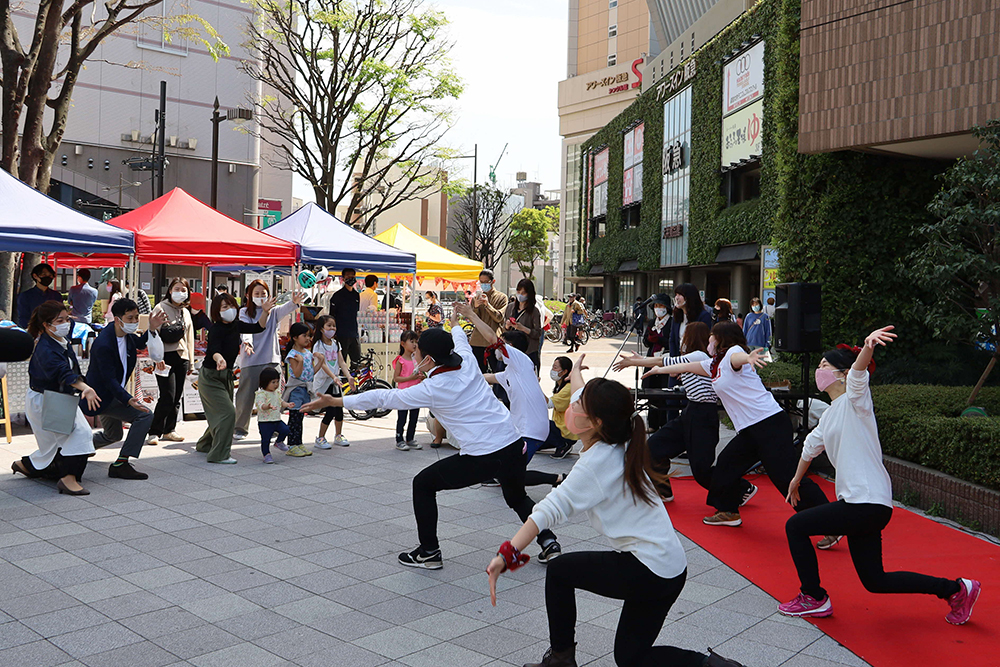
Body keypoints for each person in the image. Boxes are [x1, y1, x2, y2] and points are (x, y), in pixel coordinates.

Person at [485, 363, 746, 667]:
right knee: (631, 659)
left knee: (559, 571)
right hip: (670, 567)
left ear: (594, 422)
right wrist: (578, 367)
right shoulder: (619, 437)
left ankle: (560, 659)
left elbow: (546, 511)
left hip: (649, 568)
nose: (572, 406)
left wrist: (506, 556)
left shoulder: (596, 463)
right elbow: (584, 395)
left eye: (577, 405)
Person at [302, 300, 561, 570]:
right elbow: (459, 337)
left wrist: (335, 403)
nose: (413, 356)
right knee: (517, 497)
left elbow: (385, 396)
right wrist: (456, 321)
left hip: (484, 455)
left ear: (427, 359)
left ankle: (429, 551)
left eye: (416, 352)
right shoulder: (467, 360)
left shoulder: (433, 387)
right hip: (512, 444)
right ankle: (548, 541)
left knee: (423, 484)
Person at [780, 327, 981, 624]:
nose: (818, 371)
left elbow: (859, 373)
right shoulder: (830, 412)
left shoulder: (856, 402)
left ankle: (814, 596)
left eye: (824, 366)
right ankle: (955, 589)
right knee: (875, 580)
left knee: (796, 526)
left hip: (865, 501)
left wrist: (867, 346)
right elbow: (810, 447)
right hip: (867, 505)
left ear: (842, 373)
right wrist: (796, 479)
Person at [648, 321, 830, 526]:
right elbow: (683, 366)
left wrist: (748, 357)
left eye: (712, 336)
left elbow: (737, 357)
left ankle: (828, 520)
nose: (709, 340)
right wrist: (657, 370)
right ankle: (728, 511)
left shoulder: (732, 354)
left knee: (785, 478)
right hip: (749, 430)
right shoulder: (714, 364)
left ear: (720, 339)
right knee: (726, 465)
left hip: (770, 424)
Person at [617, 322, 757, 504]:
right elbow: (669, 362)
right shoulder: (698, 358)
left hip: (703, 416)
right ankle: (664, 491)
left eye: (684, 336)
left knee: (701, 470)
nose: (681, 340)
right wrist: (641, 360)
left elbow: (664, 361)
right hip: (691, 412)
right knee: (653, 448)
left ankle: (742, 488)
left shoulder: (698, 355)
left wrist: (635, 362)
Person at [465, 306, 564, 491]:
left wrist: (471, 315)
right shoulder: (509, 372)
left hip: (531, 429)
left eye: (502, 344)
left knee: (512, 474)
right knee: (508, 468)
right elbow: (483, 378)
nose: (497, 347)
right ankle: (500, 474)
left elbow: (492, 339)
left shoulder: (521, 361)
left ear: (510, 348)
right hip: (522, 428)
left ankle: (559, 478)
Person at [12, 302, 99, 495]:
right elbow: (62, 373)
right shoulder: (45, 348)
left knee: (56, 444)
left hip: (60, 398)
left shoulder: (60, 340)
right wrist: (85, 387)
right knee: (78, 435)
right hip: (46, 400)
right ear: (46, 324)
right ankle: (68, 479)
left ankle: (25, 465)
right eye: (59, 320)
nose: (65, 323)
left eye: (67, 319)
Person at [84, 298, 165, 480]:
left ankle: (79, 447)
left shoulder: (126, 336)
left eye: (136, 317)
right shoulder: (104, 344)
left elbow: (139, 343)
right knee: (144, 415)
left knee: (113, 434)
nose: (134, 321)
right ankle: (121, 464)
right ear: (117, 319)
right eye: (130, 318)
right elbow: (108, 380)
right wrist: (128, 399)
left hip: (113, 394)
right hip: (102, 396)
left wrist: (151, 327)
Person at [196, 292, 272, 464]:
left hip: (226, 376)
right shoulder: (215, 328)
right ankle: (219, 455)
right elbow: (213, 349)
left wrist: (265, 312)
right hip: (211, 377)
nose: (230, 309)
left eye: (231, 305)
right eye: (225, 307)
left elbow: (258, 328)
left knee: (222, 413)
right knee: (228, 413)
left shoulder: (236, 325)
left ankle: (205, 444)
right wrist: (219, 358)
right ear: (217, 311)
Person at [232, 279, 304, 440]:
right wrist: (247, 342)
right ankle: (240, 428)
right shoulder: (244, 312)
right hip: (251, 360)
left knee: (274, 397)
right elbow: (245, 330)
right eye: (256, 294)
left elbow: (286, 308)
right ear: (249, 296)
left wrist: (294, 302)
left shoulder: (274, 311)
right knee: (246, 396)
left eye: (263, 293)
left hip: (271, 359)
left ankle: (273, 426)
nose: (260, 297)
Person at [148, 278, 195, 445]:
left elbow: (190, 337)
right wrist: (156, 358)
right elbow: (152, 335)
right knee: (167, 395)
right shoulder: (160, 308)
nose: (180, 292)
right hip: (164, 357)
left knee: (177, 396)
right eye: (177, 288)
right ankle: (154, 431)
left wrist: (191, 362)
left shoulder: (186, 312)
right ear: (169, 290)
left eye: (184, 289)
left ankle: (170, 429)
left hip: (181, 356)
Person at [311, 315, 355, 448]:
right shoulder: (318, 345)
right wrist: (333, 377)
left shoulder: (336, 344)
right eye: (329, 326)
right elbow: (322, 364)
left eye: (333, 325)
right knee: (330, 410)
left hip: (335, 382)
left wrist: (348, 377)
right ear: (321, 329)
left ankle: (338, 435)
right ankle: (320, 438)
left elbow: (341, 362)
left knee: (339, 408)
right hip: (324, 382)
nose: (332, 328)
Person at [283, 322, 318, 457]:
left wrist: (320, 362)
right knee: (294, 417)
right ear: (295, 338)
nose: (308, 338)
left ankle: (299, 443)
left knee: (301, 417)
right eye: (304, 335)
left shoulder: (307, 353)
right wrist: (301, 362)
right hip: (297, 388)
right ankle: (292, 444)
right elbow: (297, 374)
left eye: (309, 336)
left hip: (306, 388)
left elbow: (311, 373)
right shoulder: (293, 354)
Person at [641, 294, 673, 431]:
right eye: (656, 306)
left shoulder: (672, 322)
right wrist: (649, 338)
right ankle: (653, 423)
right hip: (652, 359)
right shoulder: (652, 322)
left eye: (661, 306)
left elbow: (673, 343)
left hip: (666, 359)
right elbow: (646, 342)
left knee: (664, 391)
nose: (658, 309)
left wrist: (660, 339)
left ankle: (665, 424)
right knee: (651, 390)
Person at [392, 330, 423, 450]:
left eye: (416, 341)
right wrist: (411, 378)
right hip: (404, 393)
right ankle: (399, 439)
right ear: (403, 343)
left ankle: (410, 438)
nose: (414, 344)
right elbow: (396, 378)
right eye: (412, 341)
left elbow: (421, 373)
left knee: (414, 417)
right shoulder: (400, 360)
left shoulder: (418, 359)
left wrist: (422, 377)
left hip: (416, 393)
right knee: (402, 417)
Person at [504, 278, 544, 374]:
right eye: (518, 291)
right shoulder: (510, 307)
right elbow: (503, 329)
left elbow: (537, 333)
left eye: (524, 292)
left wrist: (523, 328)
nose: (520, 295)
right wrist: (507, 325)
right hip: (512, 349)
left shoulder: (534, 311)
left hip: (528, 350)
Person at [255, 367, 291, 464]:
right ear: (265, 382)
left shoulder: (277, 393)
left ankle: (279, 442)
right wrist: (268, 406)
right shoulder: (261, 393)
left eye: (277, 381)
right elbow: (260, 405)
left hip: (276, 419)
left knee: (285, 429)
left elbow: (280, 402)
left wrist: (287, 405)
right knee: (266, 439)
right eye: (273, 382)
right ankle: (266, 454)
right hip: (265, 421)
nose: (276, 384)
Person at [329, 268, 362, 366]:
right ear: (343, 278)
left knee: (356, 362)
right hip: (341, 334)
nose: (351, 278)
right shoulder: (337, 296)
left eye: (353, 276)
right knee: (341, 362)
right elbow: (332, 316)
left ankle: (355, 380)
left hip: (354, 333)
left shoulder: (356, 295)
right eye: (348, 276)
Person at [16, 263, 64, 328]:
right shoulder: (25, 296)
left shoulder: (56, 295)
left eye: (50, 275)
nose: (48, 277)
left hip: (53, 330)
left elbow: (61, 314)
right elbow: (23, 318)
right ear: (35, 276)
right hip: (33, 331)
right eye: (43, 274)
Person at [548, 356, 576, 460]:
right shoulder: (559, 385)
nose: (552, 370)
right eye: (552, 367)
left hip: (566, 430)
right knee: (538, 441)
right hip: (559, 426)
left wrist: (534, 386)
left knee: (542, 423)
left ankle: (563, 445)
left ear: (564, 371)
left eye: (555, 367)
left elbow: (550, 404)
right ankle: (559, 442)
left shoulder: (568, 388)